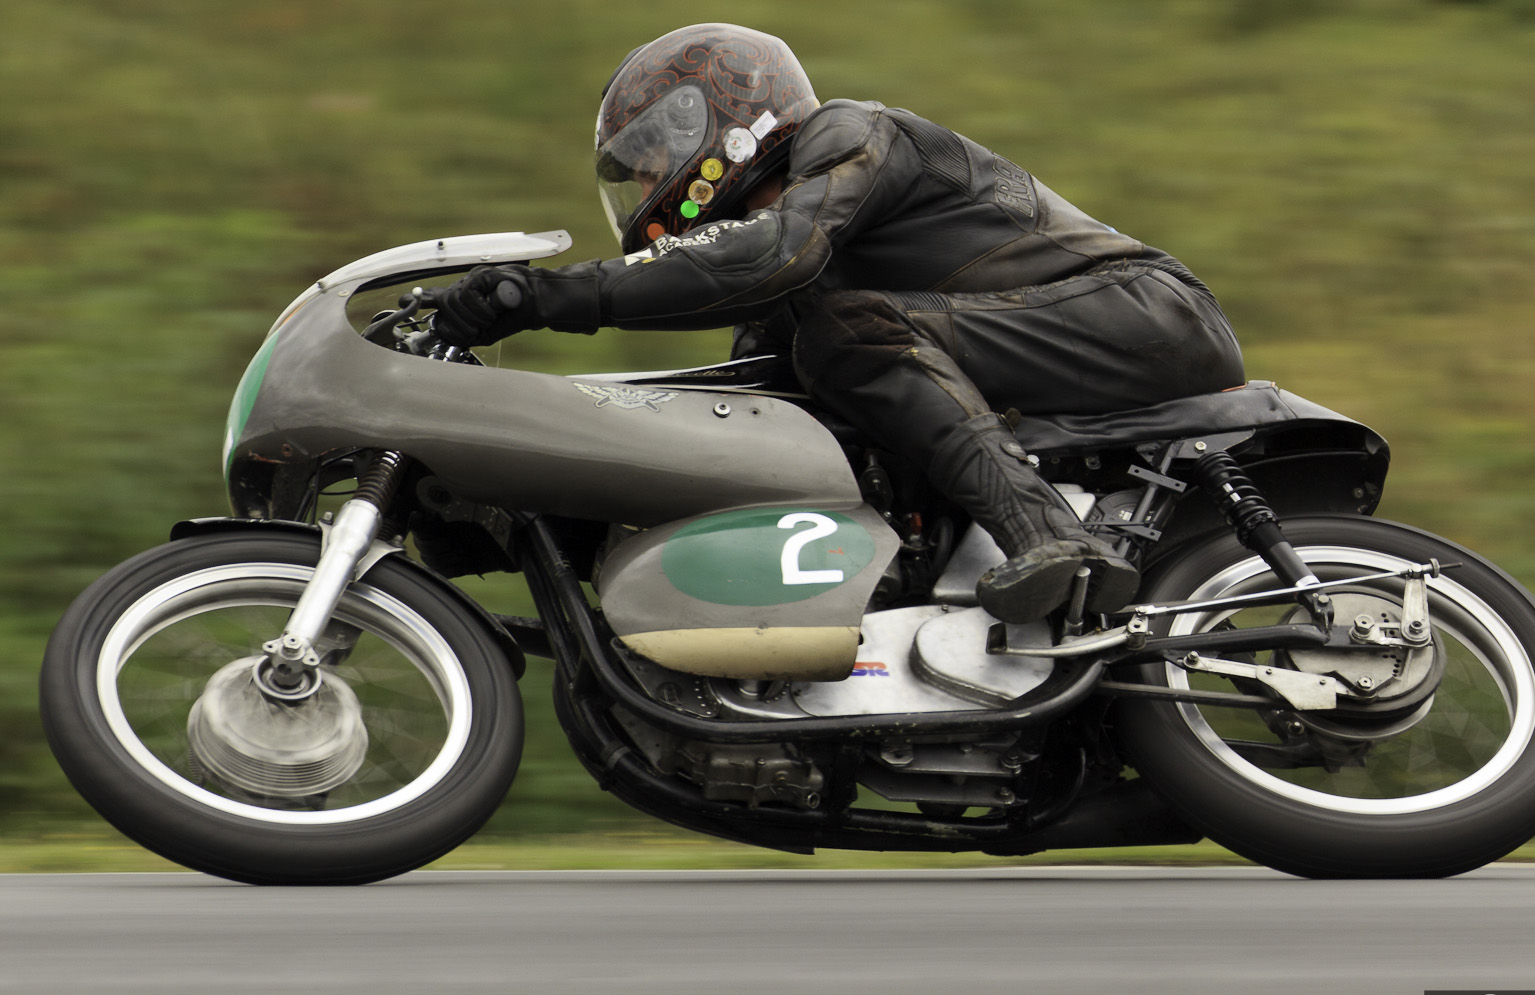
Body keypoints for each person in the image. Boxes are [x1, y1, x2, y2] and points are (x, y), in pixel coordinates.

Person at [429, 23, 1246, 623]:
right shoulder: (791, 293)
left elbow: (773, 251)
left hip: (1145, 310)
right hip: (1037, 341)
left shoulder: (854, 136)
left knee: (848, 334)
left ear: (720, 111)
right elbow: (731, 401)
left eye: (651, 150)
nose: (645, 178)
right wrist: (524, 472)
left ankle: (1051, 536)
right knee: (788, 392)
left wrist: (540, 298)